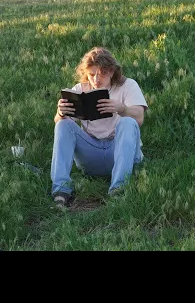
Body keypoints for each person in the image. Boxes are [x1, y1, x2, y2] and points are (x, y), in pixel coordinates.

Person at [50, 46, 148, 208]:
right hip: (91, 154)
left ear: (111, 71)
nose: (96, 79)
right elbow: (59, 124)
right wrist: (60, 113)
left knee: (127, 122)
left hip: (121, 153)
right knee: (63, 124)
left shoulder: (128, 85)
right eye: (91, 74)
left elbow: (139, 118)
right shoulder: (81, 89)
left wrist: (122, 109)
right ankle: (61, 189)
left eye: (101, 73)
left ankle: (119, 189)